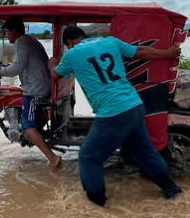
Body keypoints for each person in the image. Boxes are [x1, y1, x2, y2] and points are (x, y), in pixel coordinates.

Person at [49, 26, 182, 207]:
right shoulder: (110, 41)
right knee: (144, 153)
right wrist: (168, 53)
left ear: (69, 43)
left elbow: (55, 75)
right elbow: (141, 51)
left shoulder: (72, 55)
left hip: (113, 113)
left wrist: (51, 63)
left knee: (89, 157)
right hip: (135, 106)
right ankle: (172, 190)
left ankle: (97, 204)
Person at [0, 16, 62, 168]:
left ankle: (53, 158)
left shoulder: (21, 43)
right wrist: (5, 66)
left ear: (14, 31)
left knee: (27, 125)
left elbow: (16, 69)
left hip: (36, 91)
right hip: (42, 85)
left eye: (7, 32)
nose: (6, 35)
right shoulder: (30, 40)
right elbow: (20, 64)